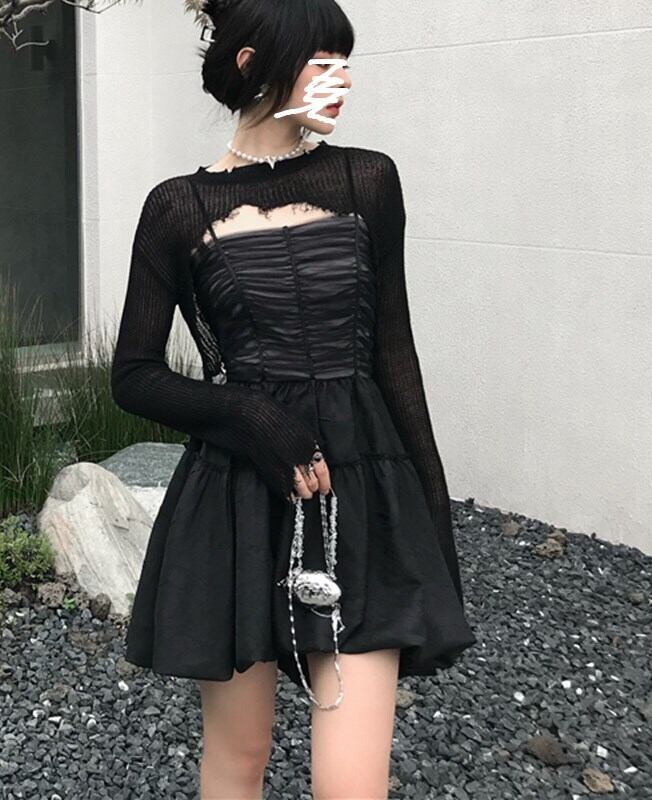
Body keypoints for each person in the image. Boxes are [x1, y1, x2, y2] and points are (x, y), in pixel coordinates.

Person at [110, 1, 477, 797]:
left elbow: (395, 357)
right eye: (322, 60)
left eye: (347, 60)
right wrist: (249, 415)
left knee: (350, 784)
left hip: (362, 493)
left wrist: (432, 523)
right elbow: (133, 374)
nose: (342, 79)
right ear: (252, 64)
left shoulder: (367, 179)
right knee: (237, 761)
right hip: (235, 499)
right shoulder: (177, 207)